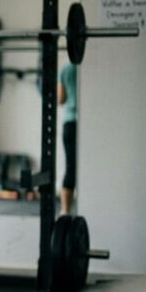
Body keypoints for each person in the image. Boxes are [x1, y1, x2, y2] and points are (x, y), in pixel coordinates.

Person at [58, 62, 77, 215]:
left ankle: (65, 211)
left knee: (70, 166)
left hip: (70, 123)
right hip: (84, 123)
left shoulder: (66, 69)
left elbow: (61, 99)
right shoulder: (89, 68)